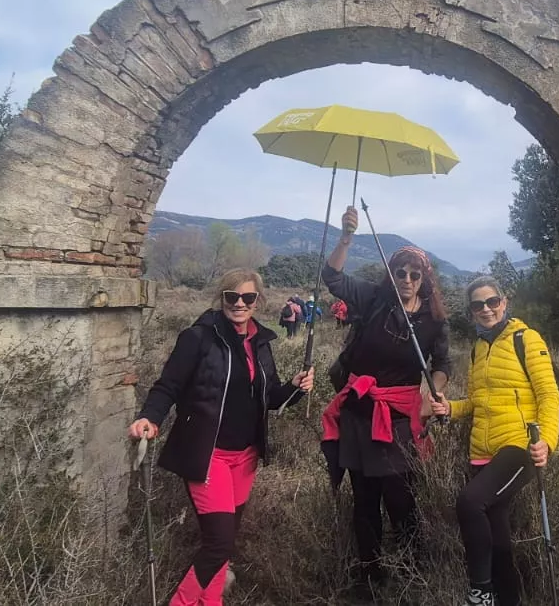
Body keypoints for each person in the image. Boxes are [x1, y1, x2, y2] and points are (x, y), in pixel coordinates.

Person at [128, 268, 315, 606]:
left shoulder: (260, 342)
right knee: (217, 543)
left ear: (258, 301)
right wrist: (150, 417)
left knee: (224, 545)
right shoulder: (198, 337)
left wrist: (296, 388)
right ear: (222, 298)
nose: (239, 303)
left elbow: (270, 397)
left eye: (247, 297)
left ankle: (210, 601)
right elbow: (168, 385)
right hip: (206, 454)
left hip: (244, 459)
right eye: (232, 297)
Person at [320, 205, 451, 596]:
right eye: (401, 272)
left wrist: (436, 388)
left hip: (398, 421)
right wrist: (346, 236)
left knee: (401, 499)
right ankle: (369, 578)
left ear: (425, 279)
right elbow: (332, 277)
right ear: (391, 274)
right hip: (360, 415)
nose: (407, 279)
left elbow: (441, 363)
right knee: (364, 501)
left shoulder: (433, 322)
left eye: (415, 274)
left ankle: (412, 572)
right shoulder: (375, 298)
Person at [430, 276, 559, 606]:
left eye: (492, 302)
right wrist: (450, 408)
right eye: (478, 305)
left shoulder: (526, 339)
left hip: (520, 446)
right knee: (497, 533)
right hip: (482, 451)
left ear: (503, 302)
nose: (486, 309)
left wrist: (546, 441)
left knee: (470, 502)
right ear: (471, 312)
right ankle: (508, 599)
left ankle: (480, 592)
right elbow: (476, 401)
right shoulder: (478, 349)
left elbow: (549, 394)